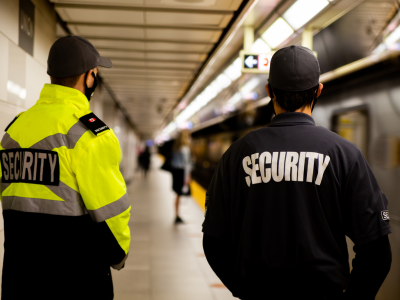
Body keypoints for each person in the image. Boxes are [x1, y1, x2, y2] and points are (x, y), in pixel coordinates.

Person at [202, 45, 392, 299]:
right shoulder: (345, 154)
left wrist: (244, 289)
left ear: (269, 91)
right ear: (318, 91)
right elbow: (377, 252)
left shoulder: (237, 154)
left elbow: (214, 242)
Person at [0, 35, 131, 300]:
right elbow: (111, 214)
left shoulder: (14, 130)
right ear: (88, 77)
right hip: (75, 280)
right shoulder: (89, 135)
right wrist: (119, 256)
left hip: (18, 278)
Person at [171, 130, 192, 224]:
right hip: (181, 173)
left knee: (177, 195)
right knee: (179, 194)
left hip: (175, 173)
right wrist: (187, 177)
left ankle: (177, 215)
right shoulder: (185, 148)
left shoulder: (176, 148)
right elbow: (186, 164)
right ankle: (177, 216)